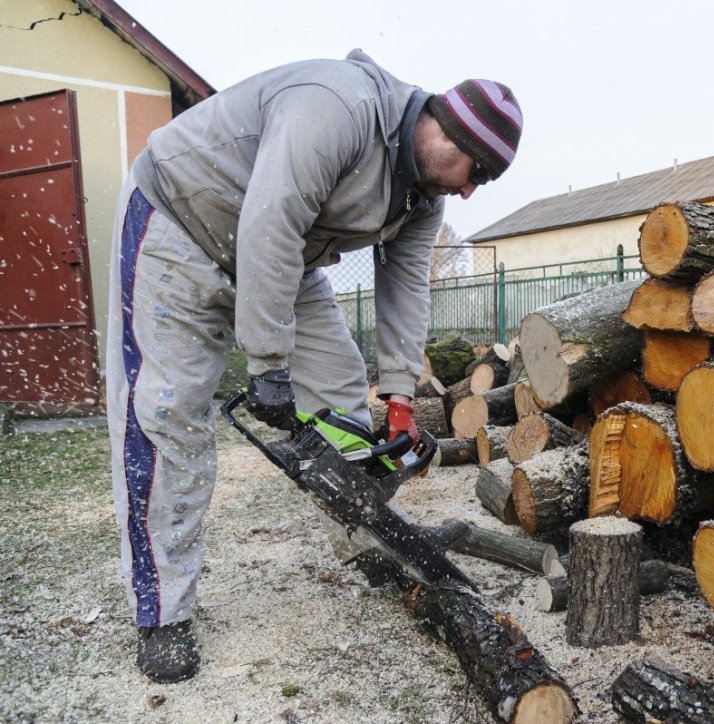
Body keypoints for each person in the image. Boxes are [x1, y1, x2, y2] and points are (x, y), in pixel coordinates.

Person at [105, 49, 522, 684]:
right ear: (448, 132)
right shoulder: (338, 107)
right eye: (477, 171)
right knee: (168, 417)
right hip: (180, 223)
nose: (468, 189)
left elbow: (406, 288)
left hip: (282, 257)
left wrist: (400, 397)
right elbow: (270, 220)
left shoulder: (423, 200)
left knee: (341, 397)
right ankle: (163, 612)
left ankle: (366, 541)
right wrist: (268, 363)